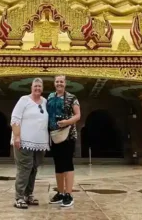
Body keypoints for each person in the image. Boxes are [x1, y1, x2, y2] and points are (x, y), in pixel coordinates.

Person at [10, 78, 49, 209]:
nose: (37, 88)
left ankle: (28, 195)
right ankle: (19, 197)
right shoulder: (24, 100)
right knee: (24, 168)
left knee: (33, 168)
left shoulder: (45, 102)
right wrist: (16, 136)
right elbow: (15, 118)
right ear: (31, 87)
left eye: (39, 86)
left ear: (42, 88)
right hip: (23, 141)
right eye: (35, 86)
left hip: (39, 143)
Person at [47, 75, 81, 208]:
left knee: (67, 164)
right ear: (54, 83)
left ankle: (68, 194)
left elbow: (78, 115)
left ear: (65, 83)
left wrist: (67, 122)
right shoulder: (50, 96)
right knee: (58, 165)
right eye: (57, 82)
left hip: (67, 135)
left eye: (61, 82)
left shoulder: (72, 98)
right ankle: (60, 193)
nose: (59, 84)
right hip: (54, 135)